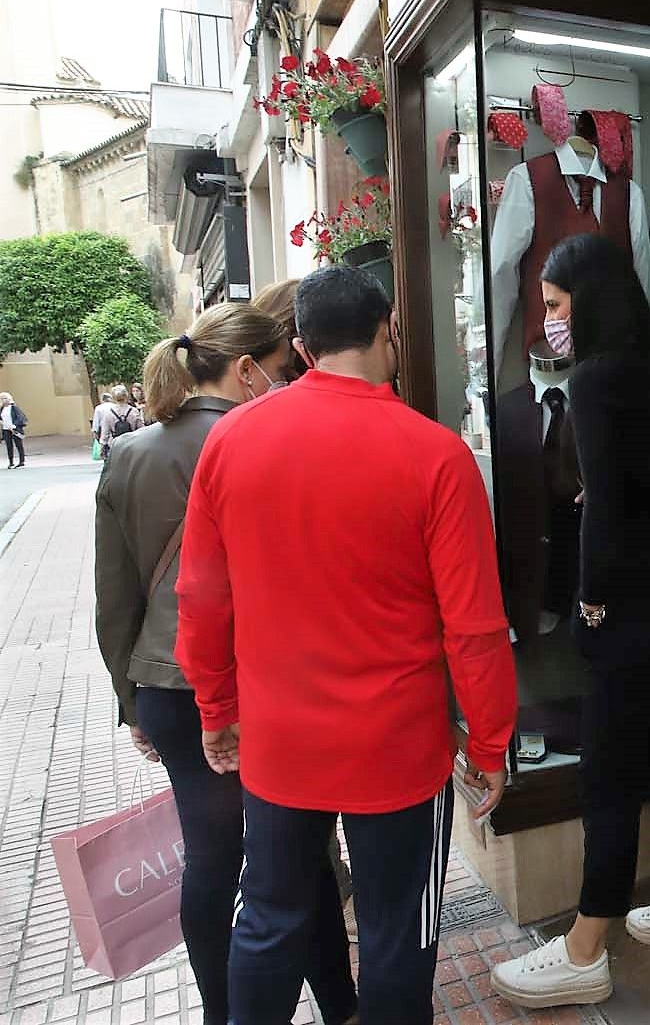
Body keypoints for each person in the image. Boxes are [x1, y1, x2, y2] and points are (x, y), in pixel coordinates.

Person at [176, 265, 516, 1025]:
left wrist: (216, 706)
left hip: (280, 742)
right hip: (396, 748)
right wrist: (490, 743)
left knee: (268, 920)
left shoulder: (232, 440)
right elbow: (475, 627)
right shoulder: (435, 454)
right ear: (389, 329)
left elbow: (200, 597)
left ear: (300, 345)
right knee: (400, 936)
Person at [94, 303, 357, 1025]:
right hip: (267, 680)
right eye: (281, 370)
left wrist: (131, 702)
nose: (288, 383)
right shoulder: (276, 440)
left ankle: (222, 1014)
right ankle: (341, 1006)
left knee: (210, 860)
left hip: (168, 685)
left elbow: (114, 599)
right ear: (247, 370)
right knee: (302, 857)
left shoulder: (129, 453)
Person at [492, 235, 650, 1009]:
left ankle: (587, 945)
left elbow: (609, 508)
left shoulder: (594, 379)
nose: (549, 319)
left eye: (555, 304)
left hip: (629, 598)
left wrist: (589, 598)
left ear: (586, 298)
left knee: (608, 771)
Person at [250, 278, 356, 927]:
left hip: (277, 687)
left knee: (282, 886)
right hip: (334, 673)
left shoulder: (238, 435)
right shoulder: (271, 430)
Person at [98, 385, 143, 459]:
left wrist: (102, 447)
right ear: (126, 395)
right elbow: (141, 430)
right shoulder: (134, 411)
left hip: (115, 446)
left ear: (113, 397)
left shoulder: (108, 413)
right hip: (132, 445)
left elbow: (105, 433)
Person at [1, 393, 28, 468]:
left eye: (5, 398)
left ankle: (22, 462)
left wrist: (14, 425)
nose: (3, 400)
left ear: (9, 399)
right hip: (6, 430)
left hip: (15, 429)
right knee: (9, 446)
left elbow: (20, 417)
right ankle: (11, 462)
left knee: (19, 445)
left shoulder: (14, 407)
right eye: (2, 398)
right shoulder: (2, 408)